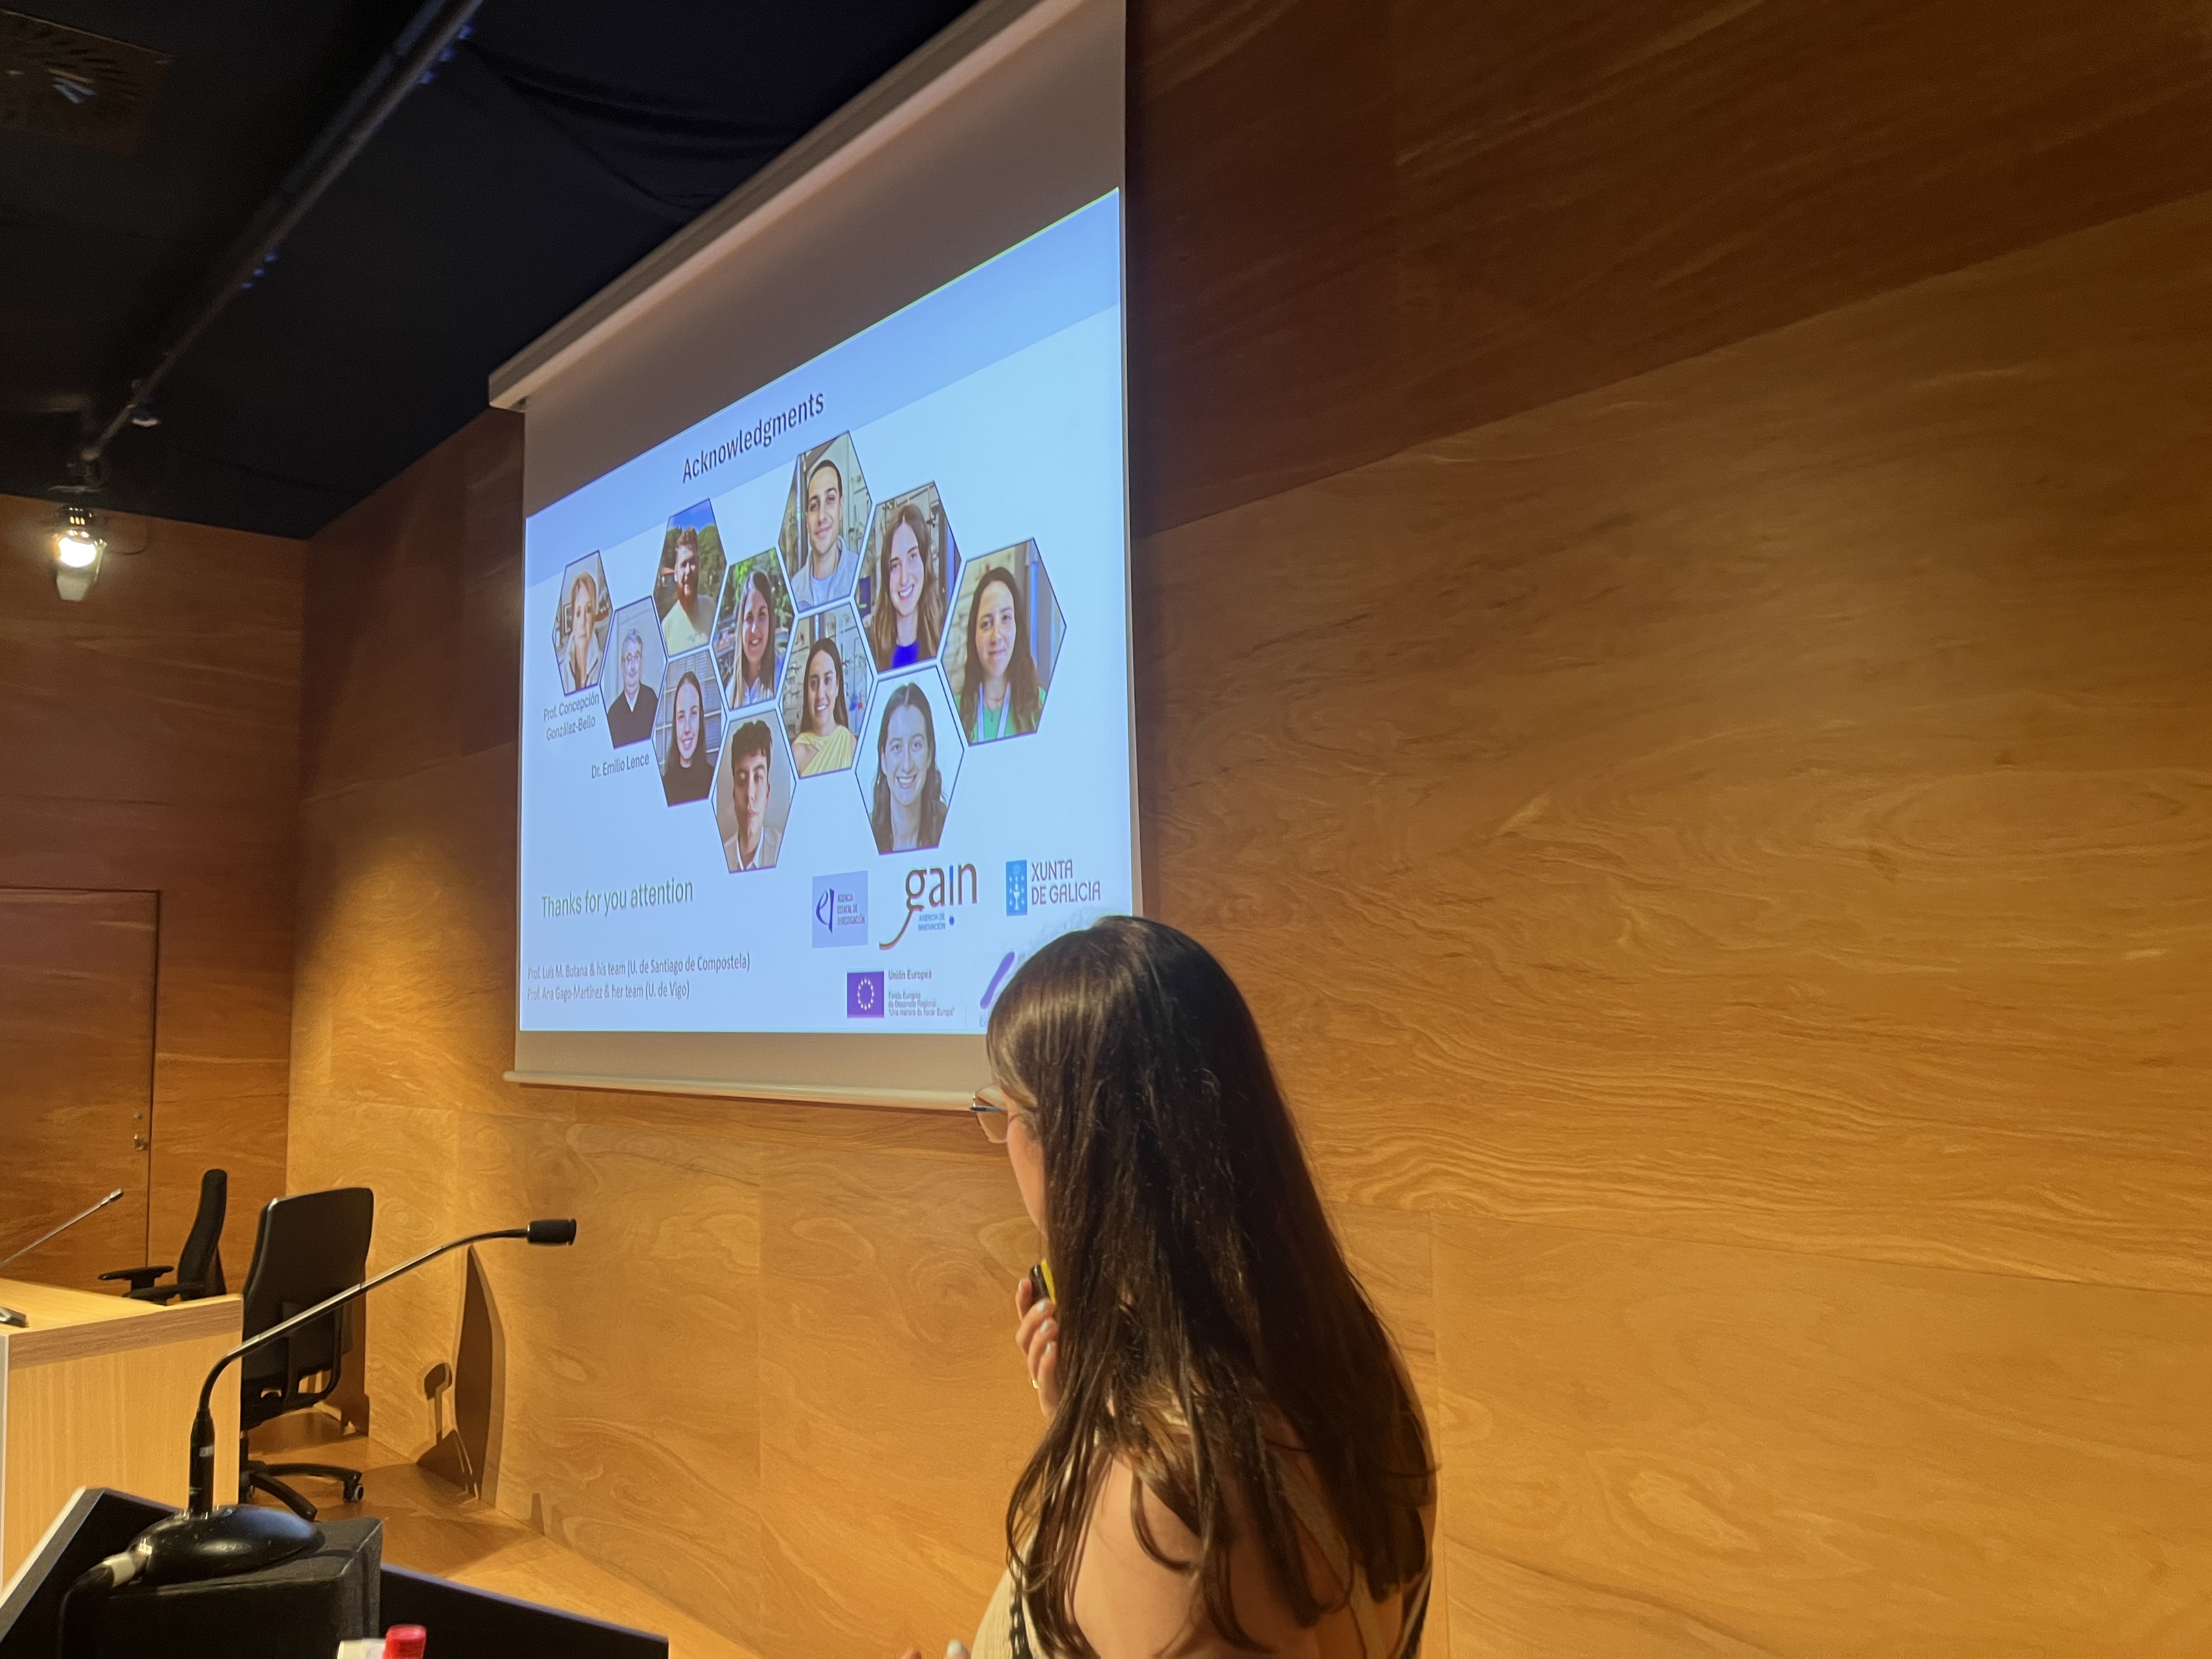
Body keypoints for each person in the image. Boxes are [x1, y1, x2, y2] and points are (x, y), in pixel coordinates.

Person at [906, 918, 1434, 1659]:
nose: (1006, 1143)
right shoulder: (1358, 1364)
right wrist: (1085, 1428)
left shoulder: (1167, 1510)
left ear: (1073, 1146)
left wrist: (1110, 1469)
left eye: (1005, 1114)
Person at [960, 565, 1043, 742]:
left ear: (1017, 628)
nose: (996, 636)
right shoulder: (952, 711)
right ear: (974, 635)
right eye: (986, 623)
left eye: (1005, 618)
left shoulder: (1042, 706)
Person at [868, 681, 947, 853]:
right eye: (897, 747)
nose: (907, 764)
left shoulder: (950, 827)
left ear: (929, 754)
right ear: (883, 759)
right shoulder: (865, 833)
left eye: (916, 745)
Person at [867, 499, 944, 672]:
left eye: (912, 557)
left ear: (925, 563)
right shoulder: (871, 648)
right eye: (895, 565)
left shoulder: (944, 639)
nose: (904, 579)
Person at [792, 454, 860, 608]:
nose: (822, 516)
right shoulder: (794, 590)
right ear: (807, 521)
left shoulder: (860, 572)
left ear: (841, 508)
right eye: (814, 506)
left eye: (830, 499)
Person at [791, 635, 857, 776]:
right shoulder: (796, 754)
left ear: (838, 686)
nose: (820, 695)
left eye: (828, 681)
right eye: (814, 683)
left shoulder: (851, 746)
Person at [720, 721, 781, 872]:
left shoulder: (784, 849)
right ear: (734, 795)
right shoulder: (720, 857)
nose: (750, 794)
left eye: (758, 777)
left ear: (768, 793)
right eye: (742, 780)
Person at [660, 669, 713, 804]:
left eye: (694, 714)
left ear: (701, 718)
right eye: (681, 717)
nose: (687, 729)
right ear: (675, 723)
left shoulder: (713, 781)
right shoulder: (663, 788)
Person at [731, 567, 781, 706]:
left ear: (771, 620)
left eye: (762, 615)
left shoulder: (784, 673)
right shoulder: (730, 693)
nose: (754, 629)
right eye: (749, 618)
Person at [662, 526, 713, 652]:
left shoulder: (711, 607)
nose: (689, 570)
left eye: (692, 562)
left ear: (699, 565)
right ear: (676, 573)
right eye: (684, 565)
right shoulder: (666, 629)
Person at [605, 627, 657, 747]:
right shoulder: (613, 713)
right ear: (622, 665)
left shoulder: (652, 700)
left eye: (637, 657)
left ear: (641, 661)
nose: (633, 666)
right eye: (629, 658)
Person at [560, 569, 604, 693]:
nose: (583, 621)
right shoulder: (561, 671)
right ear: (573, 619)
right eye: (578, 613)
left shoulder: (605, 664)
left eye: (588, 610)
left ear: (594, 617)